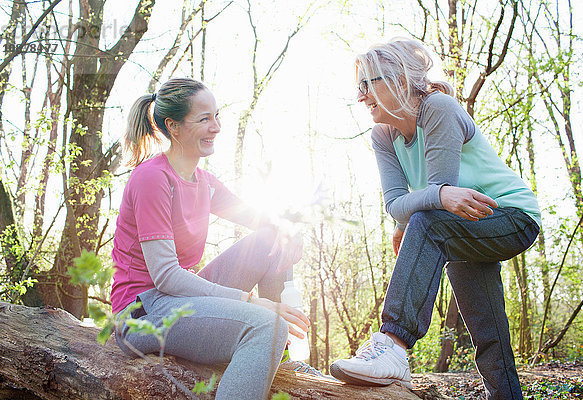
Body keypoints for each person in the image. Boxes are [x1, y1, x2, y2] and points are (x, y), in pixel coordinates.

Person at [330, 39, 540, 400]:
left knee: (428, 223)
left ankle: (393, 343)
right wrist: (405, 221)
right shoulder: (382, 135)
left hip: (511, 216)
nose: (361, 96)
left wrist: (428, 205)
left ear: (398, 80)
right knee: (487, 328)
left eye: (369, 84)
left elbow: (433, 205)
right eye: (358, 87)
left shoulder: (438, 108)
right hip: (460, 227)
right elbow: (396, 204)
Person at [110, 78, 312, 400]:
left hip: (175, 299)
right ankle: (268, 339)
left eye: (217, 116)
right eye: (204, 119)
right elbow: (165, 276)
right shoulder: (152, 179)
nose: (216, 127)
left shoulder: (205, 182)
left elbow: (258, 216)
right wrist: (250, 301)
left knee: (269, 239)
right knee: (265, 325)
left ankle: (279, 358)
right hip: (143, 313)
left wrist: (287, 227)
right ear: (173, 126)